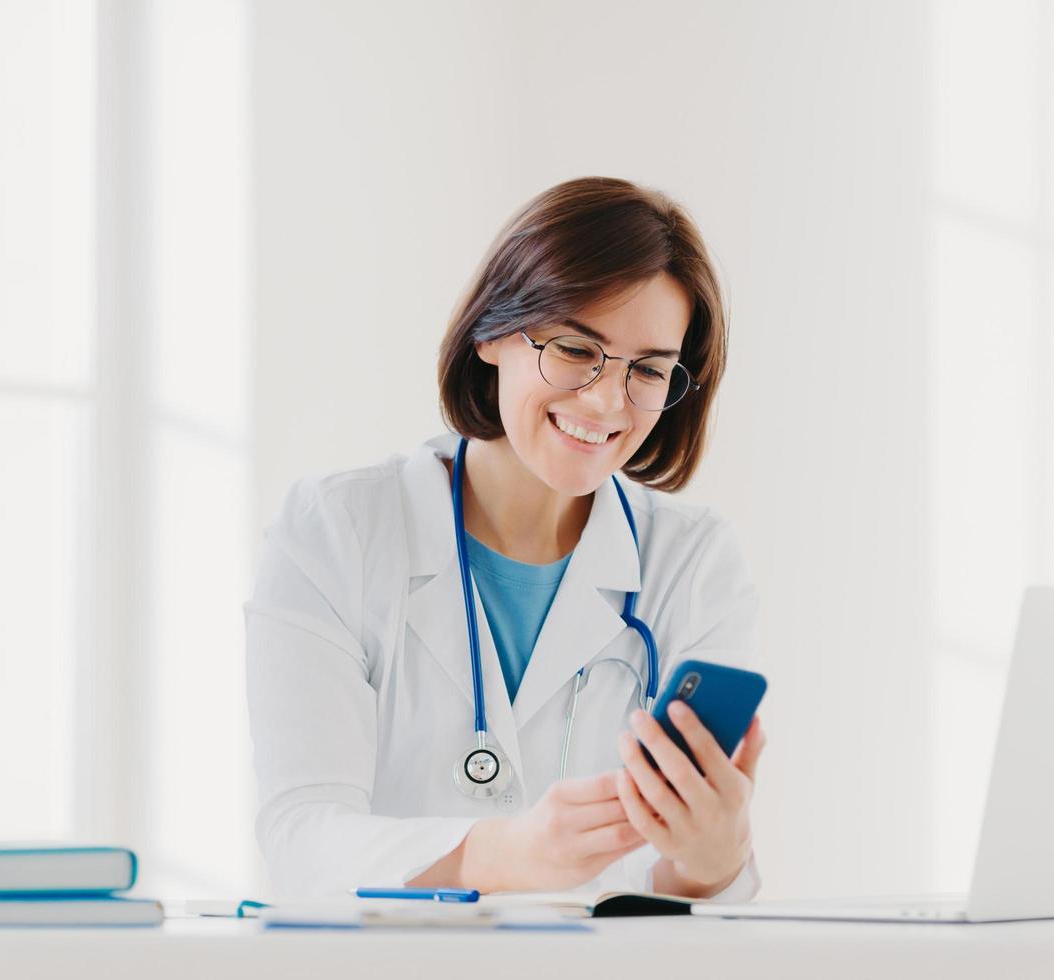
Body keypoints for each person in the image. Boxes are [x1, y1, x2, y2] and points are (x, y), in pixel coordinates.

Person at [244, 177, 766, 902]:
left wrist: (711, 861)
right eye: (577, 349)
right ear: (492, 332)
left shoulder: (693, 563)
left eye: (647, 369)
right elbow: (301, 841)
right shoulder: (334, 531)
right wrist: (497, 856)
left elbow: (682, 899)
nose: (608, 400)